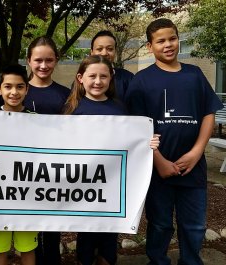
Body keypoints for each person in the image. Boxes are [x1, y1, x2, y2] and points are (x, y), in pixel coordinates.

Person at [125, 18, 223, 265]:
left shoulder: (195, 74)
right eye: (161, 41)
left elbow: (208, 114)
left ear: (179, 40)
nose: (168, 45)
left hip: (194, 167)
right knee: (159, 223)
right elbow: (137, 128)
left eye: (172, 38)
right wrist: (159, 162)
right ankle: (158, 260)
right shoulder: (142, 81)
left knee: (195, 225)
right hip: (158, 169)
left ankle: (191, 260)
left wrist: (197, 151)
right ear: (150, 46)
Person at [64, 55, 160, 265]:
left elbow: (130, 142)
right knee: (86, 236)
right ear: (80, 78)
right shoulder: (72, 109)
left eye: (103, 76)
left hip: (112, 187)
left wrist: (147, 142)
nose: (98, 81)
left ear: (111, 78)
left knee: (109, 237)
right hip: (83, 186)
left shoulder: (119, 108)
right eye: (92, 76)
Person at [24, 36, 70, 265]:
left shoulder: (66, 94)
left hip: (55, 170)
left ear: (56, 61)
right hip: (23, 171)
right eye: (38, 60)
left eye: (49, 60)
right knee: (30, 228)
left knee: (52, 226)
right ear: (29, 61)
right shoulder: (16, 91)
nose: (43, 66)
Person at [0, 64, 38, 265]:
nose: (14, 92)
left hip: (28, 198)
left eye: (19, 87)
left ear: (27, 89)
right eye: (8, 86)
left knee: (28, 248)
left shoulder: (39, 121)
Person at [90, 30, 134, 103]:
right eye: (99, 49)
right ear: (91, 52)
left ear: (115, 52)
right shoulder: (82, 79)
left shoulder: (128, 78)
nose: (104, 53)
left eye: (110, 49)